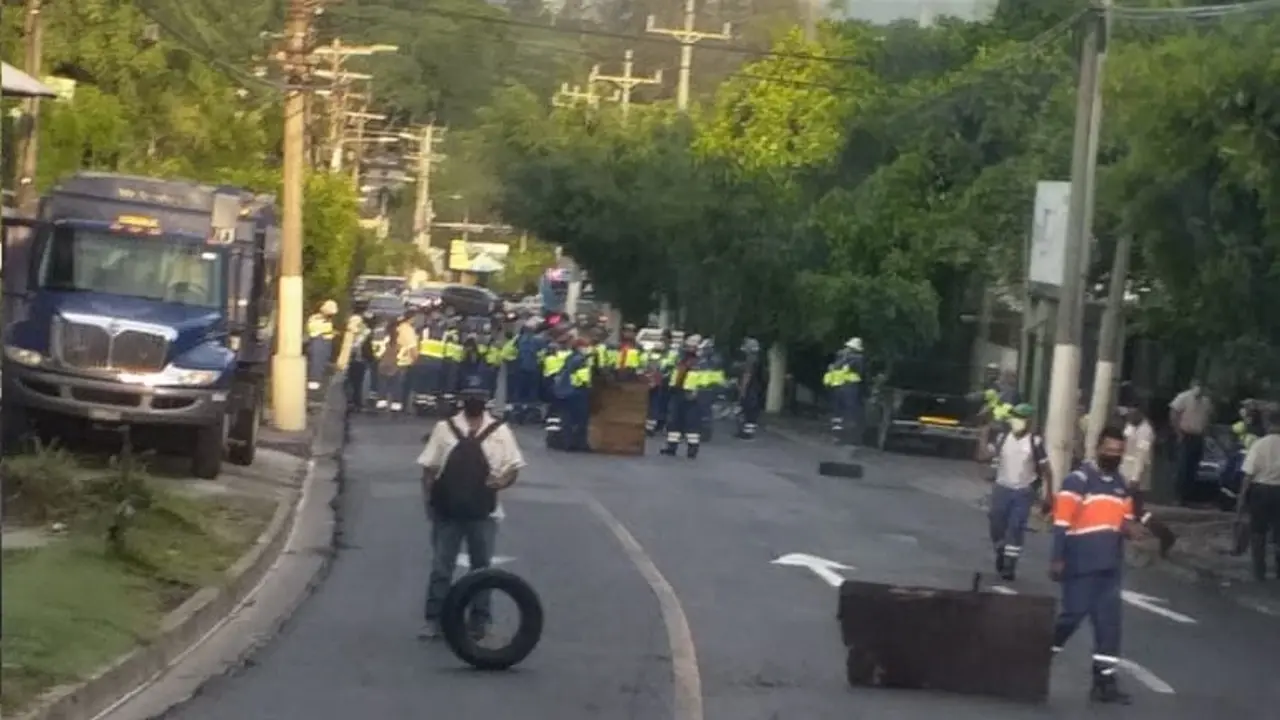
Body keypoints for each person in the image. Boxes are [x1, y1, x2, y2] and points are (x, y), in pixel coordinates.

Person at [416, 378, 525, 641]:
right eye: (470, 395)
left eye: (478, 395)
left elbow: (514, 467)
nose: (474, 401)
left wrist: (502, 482)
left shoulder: (500, 431)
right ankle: (435, 620)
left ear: (485, 400)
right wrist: (430, 503)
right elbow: (429, 469)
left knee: (482, 570)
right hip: (448, 511)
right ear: (462, 399)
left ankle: (479, 621)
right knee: (442, 567)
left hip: (484, 513)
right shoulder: (444, 429)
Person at [1049, 425, 1135, 705]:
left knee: (1109, 627)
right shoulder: (1078, 480)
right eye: (1109, 450)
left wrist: (1132, 529)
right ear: (1097, 448)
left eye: (1118, 452)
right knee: (1072, 617)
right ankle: (1039, 656)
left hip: (1109, 567)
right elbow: (1061, 522)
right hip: (1080, 563)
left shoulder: (1121, 485)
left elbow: (1125, 520)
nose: (1113, 455)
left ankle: (1104, 683)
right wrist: (1057, 557)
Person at [985, 403, 1051, 581]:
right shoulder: (1002, 438)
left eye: (1021, 418)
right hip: (1002, 488)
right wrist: (983, 435)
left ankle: (1009, 565)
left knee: (1016, 526)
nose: (1017, 421)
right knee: (996, 523)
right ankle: (1000, 548)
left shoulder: (1034, 442)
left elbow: (1046, 469)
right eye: (1015, 416)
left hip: (1023, 491)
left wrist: (1048, 495)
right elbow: (983, 456)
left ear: (1029, 422)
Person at [1239, 408, 1280, 581]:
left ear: (1268, 423)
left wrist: (1241, 498)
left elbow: (1248, 474)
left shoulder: (1259, 444)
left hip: (1260, 491)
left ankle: (1259, 570)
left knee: (1258, 531)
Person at [1169, 379, 1213, 505]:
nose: (1199, 388)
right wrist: (1177, 432)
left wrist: (1205, 433)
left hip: (1198, 436)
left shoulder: (1206, 401)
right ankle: (1177, 496)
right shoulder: (1183, 397)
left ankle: (1188, 496)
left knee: (1193, 467)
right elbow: (1173, 413)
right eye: (1197, 385)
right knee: (1182, 467)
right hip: (1185, 435)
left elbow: (1208, 417)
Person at [661, 336, 704, 458]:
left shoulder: (701, 362)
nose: (689, 349)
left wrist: (697, 392)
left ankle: (692, 449)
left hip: (692, 395)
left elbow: (704, 380)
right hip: (678, 392)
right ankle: (671, 446)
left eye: (692, 347)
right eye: (688, 346)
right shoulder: (681, 359)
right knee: (674, 421)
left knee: (691, 423)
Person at [822, 337, 865, 445]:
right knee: (849, 413)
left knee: (838, 414)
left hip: (837, 387)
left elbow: (831, 370)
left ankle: (837, 436)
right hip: (850, 388)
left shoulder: (839, 358)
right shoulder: (857, 358)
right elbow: (861, 373)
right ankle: (848, 438)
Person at [305, 299, 338, 393]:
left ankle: (318, 381)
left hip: (326, 342)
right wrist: (329, 331)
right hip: (318, 341)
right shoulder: (315, 318)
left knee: (323, 361)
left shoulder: (328, 320)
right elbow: (314, 329)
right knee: (317, 361)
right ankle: (314, 382)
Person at [736, 337, 764, 440]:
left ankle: (745, 432)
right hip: (757, 389)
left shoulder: (750, 360)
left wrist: (742, 390)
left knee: (747, 410)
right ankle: (749, 431)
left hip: (750, 389)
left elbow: (747, 375)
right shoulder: (758, 359)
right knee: (753, 412)